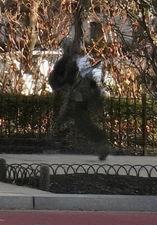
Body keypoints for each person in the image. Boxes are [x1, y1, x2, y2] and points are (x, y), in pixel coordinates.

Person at [47, 26, 112, 159]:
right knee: (77, 122)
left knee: (75, 121)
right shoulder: (77, 61)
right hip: (79, 97)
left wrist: (62, 87)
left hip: (76, 97)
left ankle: (56, 141)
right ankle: (99, 143)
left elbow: (62, 79)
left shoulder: (69, 62)